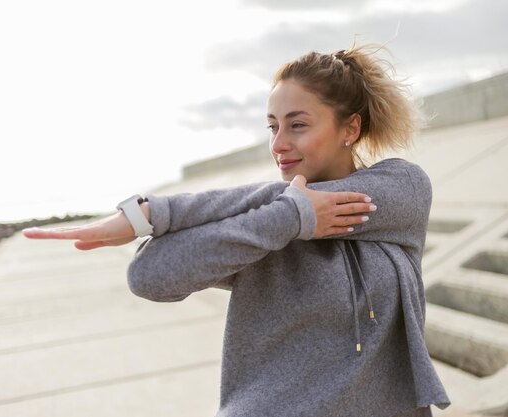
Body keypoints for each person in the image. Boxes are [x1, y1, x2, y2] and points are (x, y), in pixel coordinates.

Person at [24, 42, 450, 416]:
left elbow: (299, 199)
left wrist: (154, 213)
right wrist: (289, 218)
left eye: (297, 125)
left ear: (350, 128)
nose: (278, 143)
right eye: (273, 126)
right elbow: (147, 276)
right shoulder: (266, 233)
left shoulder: (401, 189)